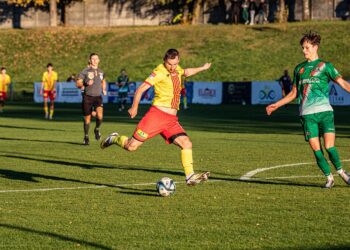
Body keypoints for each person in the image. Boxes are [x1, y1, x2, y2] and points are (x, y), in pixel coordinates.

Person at [101, 49, 211, 186]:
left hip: (171, 121)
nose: (172, 67)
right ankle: (114, 138)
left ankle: (190, 176)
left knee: (187, 143)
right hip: (156, 117)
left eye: (175, 64)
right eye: (170, 64)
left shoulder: (177, 69)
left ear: (178, 61)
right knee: (131, 147)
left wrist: (203, 68)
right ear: (165, 61)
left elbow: (186, 72)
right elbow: (141, 89)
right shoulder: (159, 72)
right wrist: (134, 107)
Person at [266, 31, 350, 188]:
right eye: (302, 48)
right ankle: (329, 178)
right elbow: (293, 93)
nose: (304, 51)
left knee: (329, 147)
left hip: (325, 112)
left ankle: (342, 173)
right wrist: (276, 104)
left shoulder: (326, 66)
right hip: (307, 115)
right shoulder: (299, 69)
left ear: (315, 47)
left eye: (306, 47)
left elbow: (343, 83)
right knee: (316, 149)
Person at [76, 53, 106, 145]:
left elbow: (103, 81)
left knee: (100, 116)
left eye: (96, 58)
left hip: (97, 97)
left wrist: (104, 89)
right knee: (87, 120)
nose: (94, 60)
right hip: (87, 97)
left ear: (99, 60)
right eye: (92, 59)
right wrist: (86, 84)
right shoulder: (85, 71)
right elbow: (78, 83)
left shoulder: (101, 72)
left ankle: (97, 129)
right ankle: (86, 136)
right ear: (90, 60)